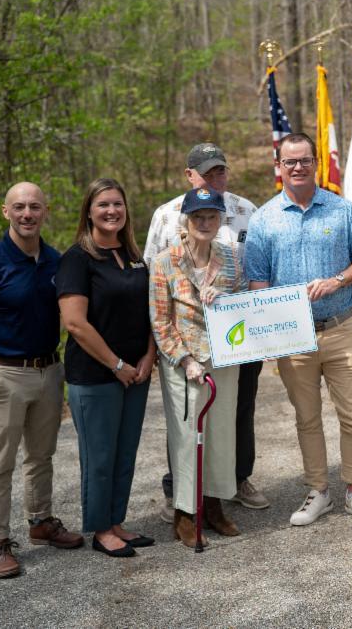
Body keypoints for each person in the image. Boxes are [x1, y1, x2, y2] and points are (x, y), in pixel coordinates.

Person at [245, 132, 352, 527]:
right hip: (293, 336)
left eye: (305, 160)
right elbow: (258, 282)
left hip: (340, 328)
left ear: (316, 162)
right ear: (279, 166)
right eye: (290, 161)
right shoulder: (263, 219)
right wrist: (267, 332)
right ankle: (319, 490)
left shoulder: (341, 211)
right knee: (307, 417)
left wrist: (338, 280)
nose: (298, 167)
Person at [0, 182, 84, 578]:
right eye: (20, 207)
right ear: (6, 212)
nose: (28, 214)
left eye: (35, 207)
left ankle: (41, 521)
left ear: (46, 212)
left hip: (47, 371)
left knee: (41, 456)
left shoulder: (56, 262)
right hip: (2, 372)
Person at [143, 142, 267, 518]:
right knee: (186, 424)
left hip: (234, 343)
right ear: (190, 175)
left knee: (235, 415)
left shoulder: (248, 212)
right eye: (207, 172)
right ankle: (180, 496)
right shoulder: (166, 217)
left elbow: (253, 280)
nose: (216, 179)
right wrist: (167, 350)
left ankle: (231, 484)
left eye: (221, 172)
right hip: (185, 350)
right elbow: (153, 281)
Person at [57, 178, 157, 558]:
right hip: (97, 375)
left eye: (117, 204)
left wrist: (148, 356)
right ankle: (100, 529)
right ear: (89, 211)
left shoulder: (133, 255)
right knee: (99, 456)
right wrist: (117, 365)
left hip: (137, 373)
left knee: (124, 452)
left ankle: (116, 521)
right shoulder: (77, 259)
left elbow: (150, 312)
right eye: (103, 205)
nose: (112, 211)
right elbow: (75, 323)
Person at [151, 187, 247, 546]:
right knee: (187, 436)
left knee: (221, 435)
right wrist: (185, 359)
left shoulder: (231, 257)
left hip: (223, 357)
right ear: (186, 221)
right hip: (184, 363)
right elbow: (160, 321)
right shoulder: (166, 261)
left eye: (211, 216)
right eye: (198, 217)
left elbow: (244, 306)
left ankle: (215, 505)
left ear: (220, 219)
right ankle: (186, 513)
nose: (204, 223)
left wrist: (225, 299)